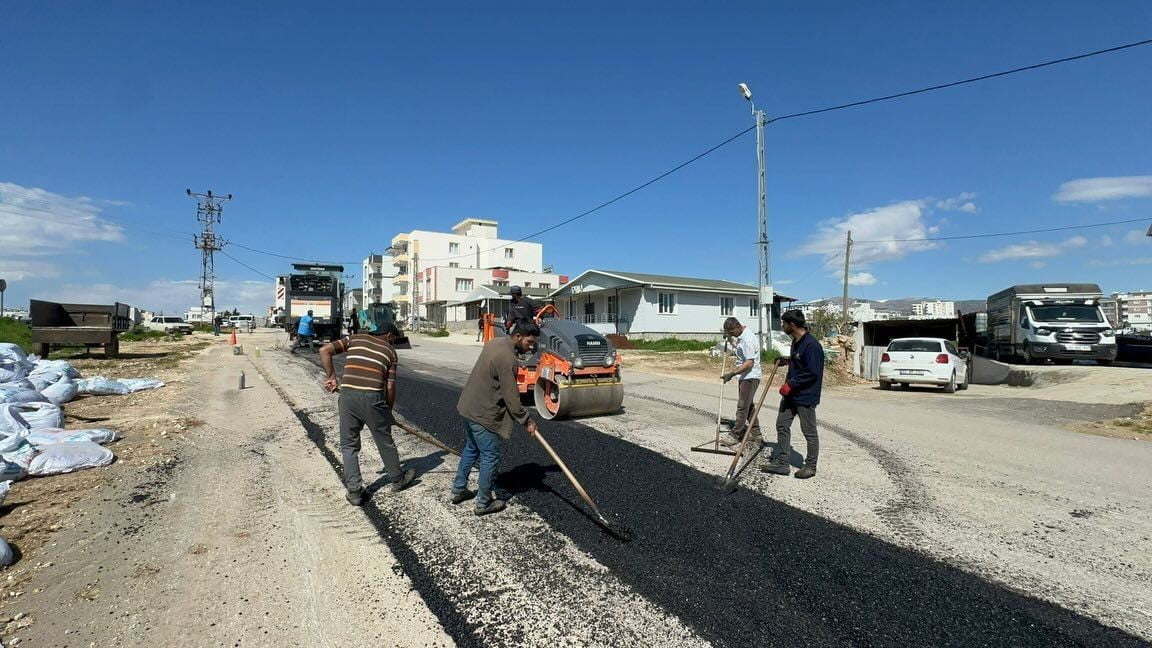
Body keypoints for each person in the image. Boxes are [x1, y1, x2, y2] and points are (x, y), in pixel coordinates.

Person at [319, 320, 415, 505]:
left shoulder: (355, 338)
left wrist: (331, 377)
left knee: (349, 445)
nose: (393, 343)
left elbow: (325, 350)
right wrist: (387, 410)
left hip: (347, 397)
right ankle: (398, 479)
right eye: (393, 339)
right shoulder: (390, 352)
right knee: (384, 440)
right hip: (373, 399)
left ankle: (354, 492)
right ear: (389, 336)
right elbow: (390, 385)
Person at [453, 322, 541, 516]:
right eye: (529, 342)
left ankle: (459, 489)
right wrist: (527, 420)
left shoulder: (495, 343)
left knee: (471, 448)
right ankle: (483, 503)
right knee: (490, 456)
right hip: (483, 414)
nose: (531, 346)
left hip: (468, 406)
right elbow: (511, 397)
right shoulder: (508, 358)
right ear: (518, 337)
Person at [761, 310, 824, 479]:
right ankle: (782, 463)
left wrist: (791, 384)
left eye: (784, 323)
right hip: (791, 395)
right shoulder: (796, 341)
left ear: (793, 325)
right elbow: (799, 360)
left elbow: (812, 372)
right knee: (782, 425)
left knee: (809, 431)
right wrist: (786, 360)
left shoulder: (812, 345)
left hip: (805, 396)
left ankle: (810, 466)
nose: (783, 326)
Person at [719, 317, 762, 447]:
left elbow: (749, 363)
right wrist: (731, 339)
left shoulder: (748, 339)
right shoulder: (743, 336)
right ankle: (756, 434)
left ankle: (736, 434)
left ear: (738, 327)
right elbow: (741, 350)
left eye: (732, 332)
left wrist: (732, 373)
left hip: (750, 376)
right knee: (748, 406)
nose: (732, 334)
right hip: (745, 376)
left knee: (742, 406)